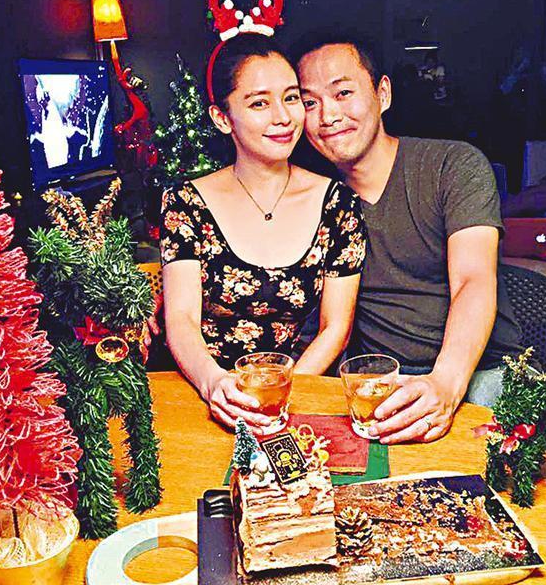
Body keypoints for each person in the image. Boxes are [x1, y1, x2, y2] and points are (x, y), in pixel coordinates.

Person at [294, 33, 522, 445]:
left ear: (382, 94)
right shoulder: (315, 196)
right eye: (310, 103)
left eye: (343, 93)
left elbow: (473, 279)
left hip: (475, 370)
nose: (328, 115)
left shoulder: (453, 166)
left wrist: (445, 383)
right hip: (376, 381)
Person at [160, 35, 367, 432]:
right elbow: (181, 319)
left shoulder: (338, 203)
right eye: (259, 103)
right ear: (222, 118)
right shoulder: (185, 202)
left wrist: (280, 397)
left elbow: (335, 328)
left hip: (294, 398)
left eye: (291, 98)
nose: (283, 117)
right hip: (203, 394)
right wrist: (214, 384)